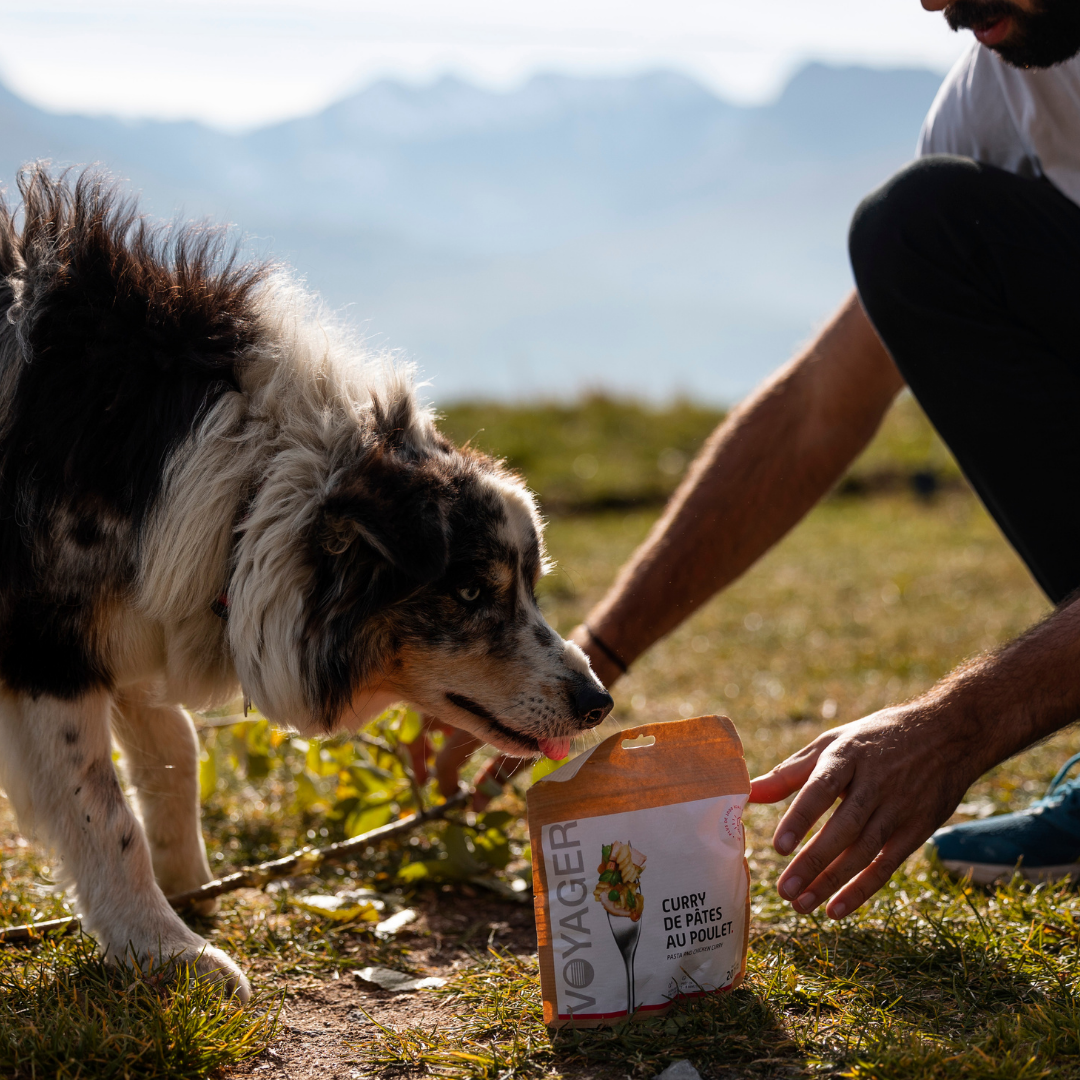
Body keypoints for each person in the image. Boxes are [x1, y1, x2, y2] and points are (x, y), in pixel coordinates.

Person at [424, 0, 1080, 917]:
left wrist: (954, 728)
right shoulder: (1005, 92)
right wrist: (587, 665)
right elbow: (820, 406)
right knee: (916, 228)